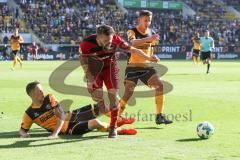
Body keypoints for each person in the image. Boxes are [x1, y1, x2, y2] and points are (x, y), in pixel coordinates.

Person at [79, 24, 159, 138]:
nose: (109, 43)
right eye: (106, 40)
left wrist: (148, 58)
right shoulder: (86, 44)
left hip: (109, 68)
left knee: (113, 96)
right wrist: (88, 77)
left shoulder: (116, 40)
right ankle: (119, 119)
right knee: (100, 105)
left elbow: (133, 50)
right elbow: (82, 59)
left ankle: (113, 127)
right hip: (94, 70)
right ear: (99, 37)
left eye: (111, 40)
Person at [19, 81, 137, 139]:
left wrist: (54, 134)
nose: (42, 92)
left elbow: (61, 116)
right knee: (96, 123)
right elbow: (22, 130)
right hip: (68, 128)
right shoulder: (29, 113)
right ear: (32, 94)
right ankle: (120, 130)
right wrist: (24, 134)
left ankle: (119, 120)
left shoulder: (49, 97)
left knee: (102, 106)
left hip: (72, 116)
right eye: (39, 91)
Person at [119, 10, 173, 125]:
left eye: (149, 20)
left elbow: (150, 49)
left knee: (160, 85)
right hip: (132, 67)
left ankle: (159, 116)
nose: (148, 23)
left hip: (146, 67)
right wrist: (148, 39)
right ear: (140, 20)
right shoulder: (131, 31)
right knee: (128, 93)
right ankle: (117, 115)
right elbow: (132, 43)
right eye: (145, 20)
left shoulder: (151, 32)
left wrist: (153, 56)